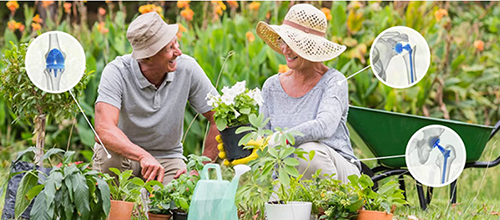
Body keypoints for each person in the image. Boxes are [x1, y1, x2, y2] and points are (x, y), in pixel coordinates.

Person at [93, 12, 219, 185]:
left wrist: (200, 168)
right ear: (147, 57)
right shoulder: (117, 71)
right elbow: (104, 129)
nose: (178, 52)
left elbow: (218, 116)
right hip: (124, 155)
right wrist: (142, 155)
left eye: (176, 43)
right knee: (107, 157)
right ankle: (111, 209)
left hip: (167, 158)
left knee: (181, 197)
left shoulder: (187, 68)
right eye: (169, 48)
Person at [256, 4, 360, 182]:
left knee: (308, 152)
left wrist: (283, 138)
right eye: (283, 41)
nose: (286, 50)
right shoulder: (272, 86)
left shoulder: (334, 81)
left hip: (338, 170)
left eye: (293, 43)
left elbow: (324, 126)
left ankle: (331, 207)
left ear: (311, 46)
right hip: (288, 174)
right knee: (276, 205)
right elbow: (263, 138)